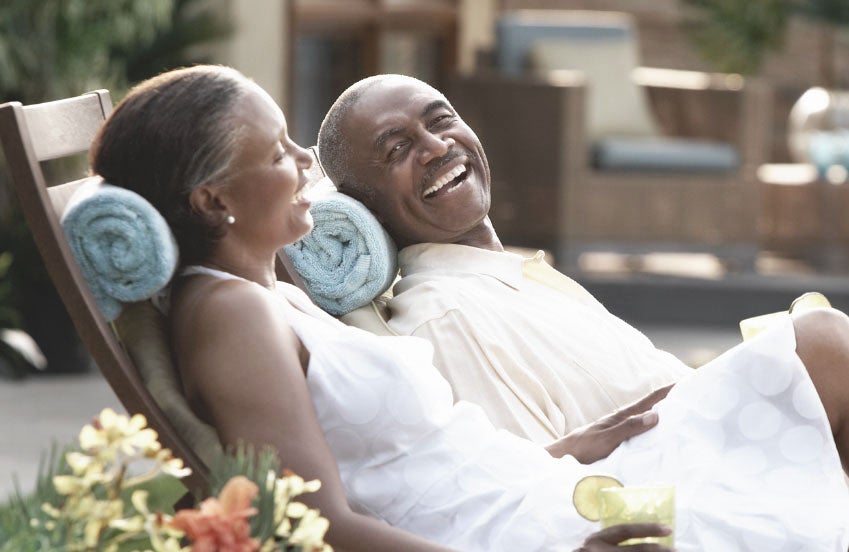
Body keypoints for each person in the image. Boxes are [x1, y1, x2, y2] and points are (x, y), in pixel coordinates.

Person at [90, 65, 849, 552]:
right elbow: (316, 524)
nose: (305, 164)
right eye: (279, 150)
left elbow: (406, 464)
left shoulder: (271, 294)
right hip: (518, 534)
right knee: (782, 474)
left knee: (807, 354)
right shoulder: (232, 316)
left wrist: (563, 449)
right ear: (214, 200)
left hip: (536, 487)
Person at [316, 74, 699, 442]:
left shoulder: (506, 280)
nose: (436, 146)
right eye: (396, 149)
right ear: (366, 208)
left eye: (441, 120)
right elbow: (535, 487)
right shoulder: (447, 318)